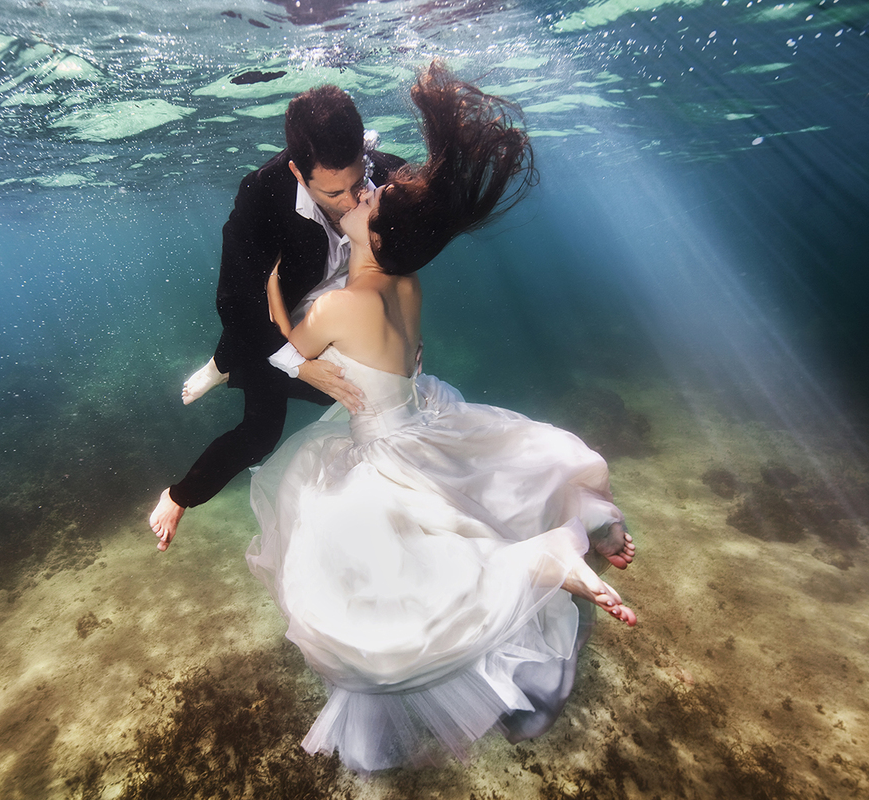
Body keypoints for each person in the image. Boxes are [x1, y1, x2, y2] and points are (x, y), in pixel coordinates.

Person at [246, 61, 637, 774]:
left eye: (369, 197)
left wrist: (273, 289)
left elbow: (288, 349)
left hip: (382, 448)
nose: (363, 192)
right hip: (423, 422)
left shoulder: (337, 308)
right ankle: (583, 521)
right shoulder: (408, 282)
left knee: (372, 612)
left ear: (378, 233)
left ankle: (545, 556)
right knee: (475, 518)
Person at [149, 86, 406, 550]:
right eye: (333, 192)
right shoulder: (262, 194)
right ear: (296, 172)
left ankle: (223, 365)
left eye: (357, 185)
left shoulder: (384, 176)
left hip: (332, 315)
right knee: (261, 433)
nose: (352, 201)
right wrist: (300, 365)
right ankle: (180, 491)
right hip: (277, 314)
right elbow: (235, 301)